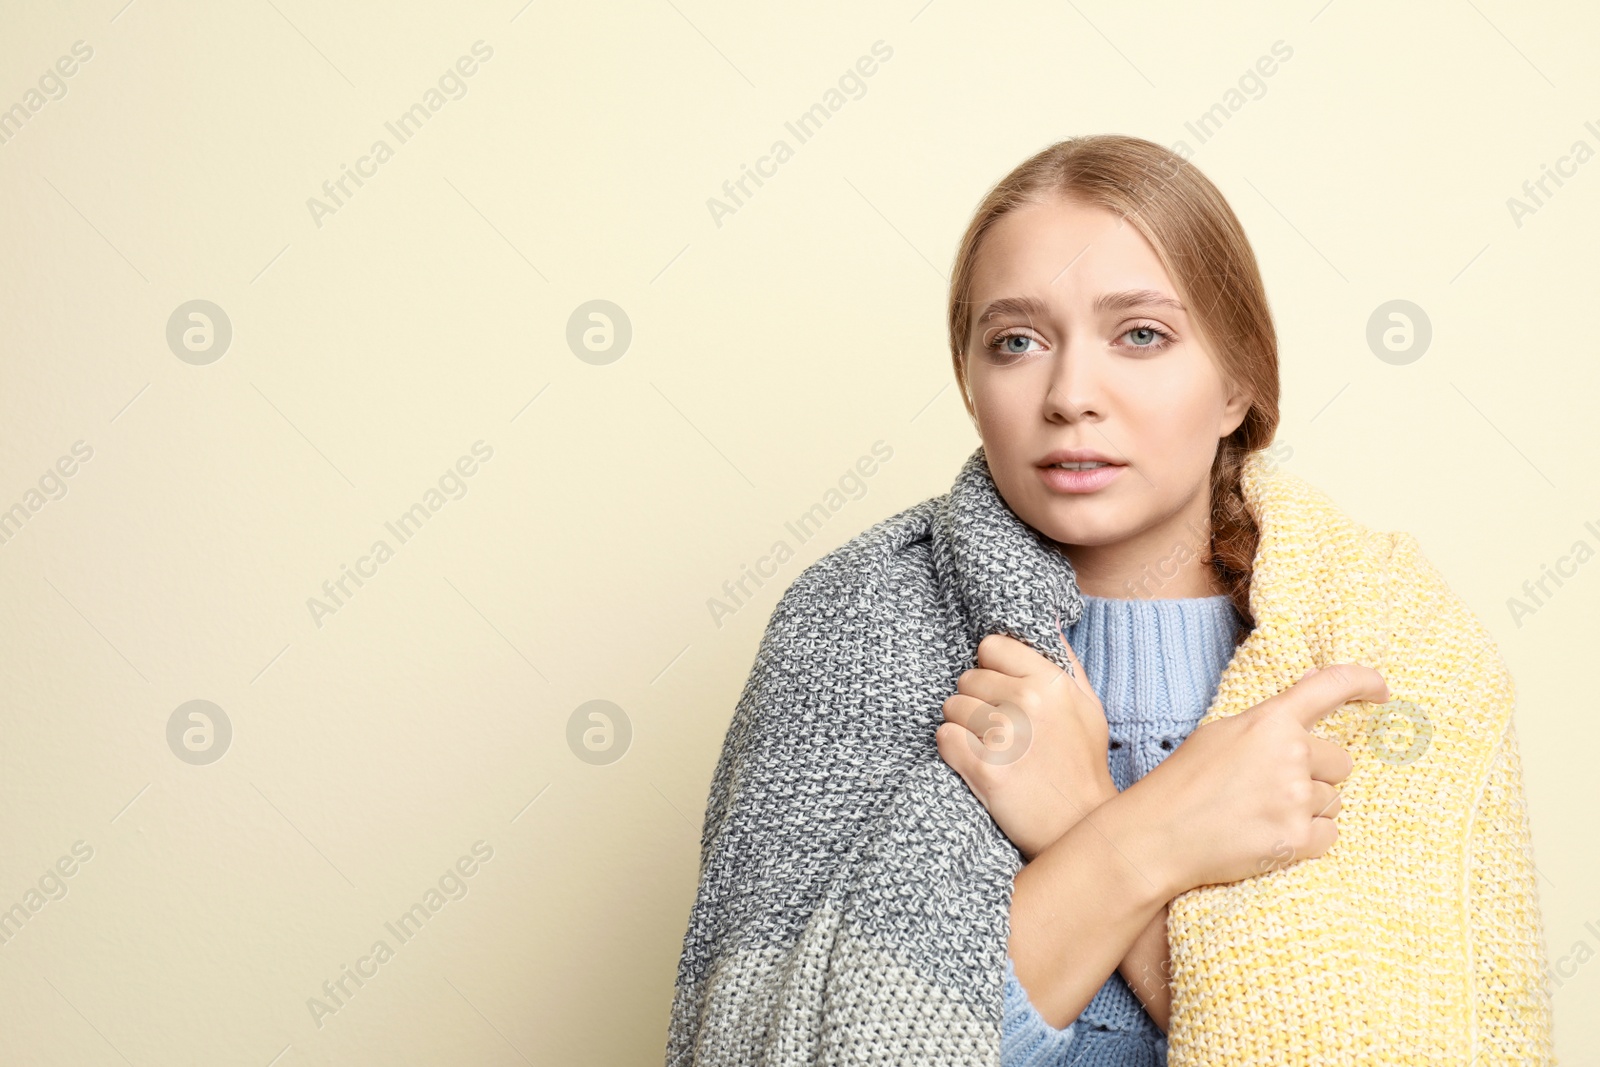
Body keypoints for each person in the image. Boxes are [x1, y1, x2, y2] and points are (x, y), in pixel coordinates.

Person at [665, 134, 1553, 1067]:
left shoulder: (1394, 640)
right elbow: (773, 1050)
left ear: (1237, 382)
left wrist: (1088, 816)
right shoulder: (849, 630)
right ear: (970, 383)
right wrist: (1141, 845)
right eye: (1016, 341)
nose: (1070, 395)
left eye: (1141, 335)